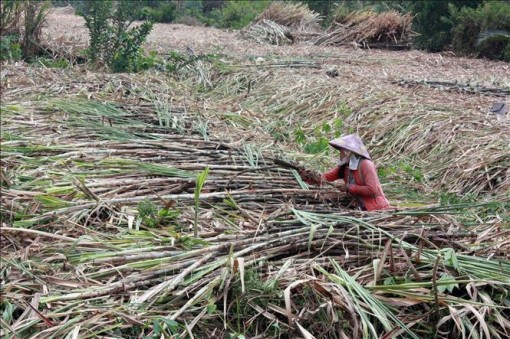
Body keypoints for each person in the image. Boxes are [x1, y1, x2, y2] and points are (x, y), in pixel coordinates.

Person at [299, 133, 390, 211]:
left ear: (349, 152)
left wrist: (348, 187)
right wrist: (308, 177)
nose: (340, 154)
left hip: (376, 208)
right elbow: (325, 178)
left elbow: (372, 189)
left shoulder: (366, 165)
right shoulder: (345, 167)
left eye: (341, 151)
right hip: (359, 207)